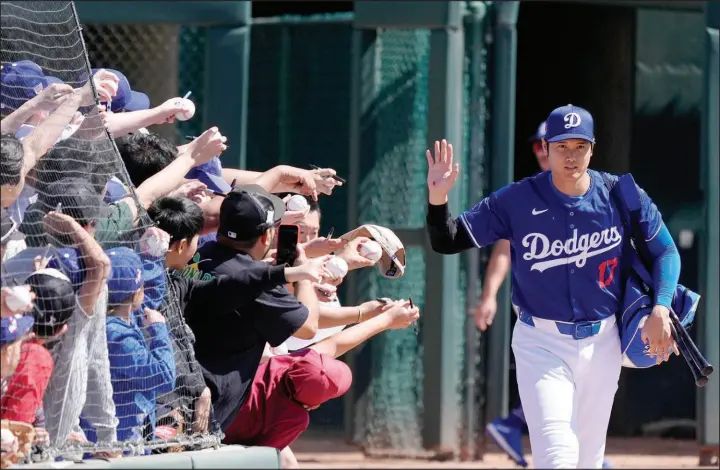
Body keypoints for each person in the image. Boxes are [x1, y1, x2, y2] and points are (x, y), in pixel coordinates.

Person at [425, 105, 679, 468]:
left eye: (579, 146)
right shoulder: (516, 199)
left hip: (604, 342)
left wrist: (661, 306)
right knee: (557, 456)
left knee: (588, 461)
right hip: (541, 343)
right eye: (562, 146)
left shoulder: (621, 194)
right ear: (546, 148)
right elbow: (447, 240)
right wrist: (438, 198)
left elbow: (666, 251)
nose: (571, 156)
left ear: (593, 147)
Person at [477, 122, 613, 468]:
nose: (546, 153)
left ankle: (521, 428)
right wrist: (490, 295)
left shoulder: (599, 194)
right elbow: (503, 252)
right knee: (554, 387)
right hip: (542, 319)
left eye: (576, 146)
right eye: (546, 147)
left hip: (596, 327)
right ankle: (516, 427)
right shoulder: (523, 198)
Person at [147, 195, 330, 438]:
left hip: (171, 393)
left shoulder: (192, 258)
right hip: (197, 406)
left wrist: (281, 273)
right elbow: (308, 327)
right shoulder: (178, 274)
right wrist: (302, 274)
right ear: (266, 236)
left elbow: (232, 283)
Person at [223, 299, 420, 469]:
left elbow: (335, 343)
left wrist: (386, 319)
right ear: (314, 405)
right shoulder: (294, 418)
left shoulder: (281, 363)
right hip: (214, 439)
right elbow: (261, 455)